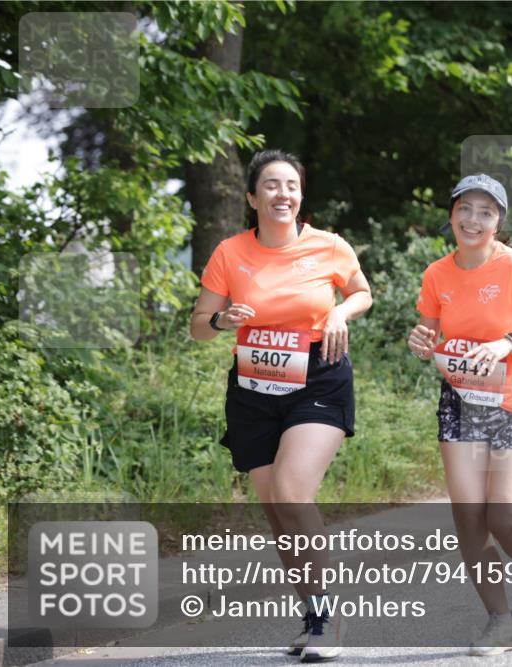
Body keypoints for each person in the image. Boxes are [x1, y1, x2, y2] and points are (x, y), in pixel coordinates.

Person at [190, 149, 372, 662]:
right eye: (270, 185)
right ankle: (312, 613)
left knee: (293, 493)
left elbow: (362, 293)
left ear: (300, 196)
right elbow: (198, 324)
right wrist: (223, 321)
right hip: (252, 386)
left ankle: (330, 619)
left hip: (318, 376)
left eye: (291, 184)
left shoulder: (328, 246)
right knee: (276, 511)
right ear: (252, 198)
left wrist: (340, 312)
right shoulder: (230, 252)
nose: (282, 194)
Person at [407, 174, 512, 656]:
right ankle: (500, 621)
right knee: (469, 519)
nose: (473, 219)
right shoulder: (437, 273)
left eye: (485, 211)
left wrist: (508, 343)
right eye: (465, 208)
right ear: (452, 214)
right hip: (461, 405)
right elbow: (429, 333)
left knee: (505, 519)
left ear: (498, 221)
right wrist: (421, 342)